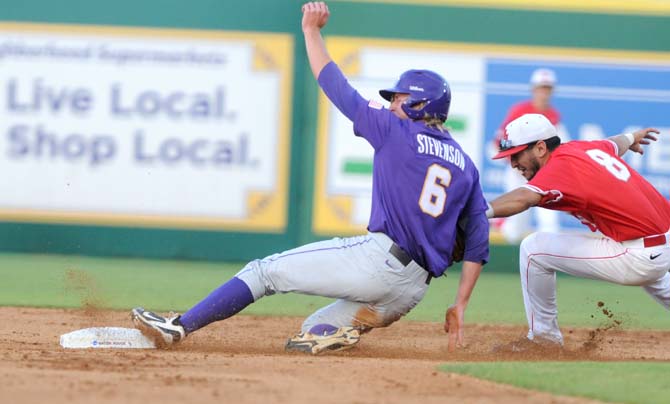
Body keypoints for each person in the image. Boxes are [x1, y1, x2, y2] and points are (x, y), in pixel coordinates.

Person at [130, 1, 489, 355]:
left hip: (379, 261)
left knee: (263, 272)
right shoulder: (466, 165)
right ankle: (336, 335)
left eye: (399, 98)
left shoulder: (395, 129)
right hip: (411, 291)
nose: (393, 104)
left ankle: (178, 327)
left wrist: (311, 31)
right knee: (310, 332)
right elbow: (477, 241)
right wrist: (460, 304)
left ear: (418, 104)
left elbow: (335, 85)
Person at [487, 113, 670, 347]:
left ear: (541, 148)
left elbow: (523, 197)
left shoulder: (559, 168)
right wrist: (631, 137)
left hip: (639, 254)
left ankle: (545, 339)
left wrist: (479, 212)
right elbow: (615, 143)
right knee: (656, 277)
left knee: (533, 250)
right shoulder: (580, 148)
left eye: (517, 154)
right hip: (659, 239)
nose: (513, 163)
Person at [493, 68, 565, 243]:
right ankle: (502, 233)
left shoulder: (554, 115)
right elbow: (501, 141)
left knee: (549, 217)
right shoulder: (520, 110)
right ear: (533, 89)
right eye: (541, 88)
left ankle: (551, 252)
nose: (544, 93)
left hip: (542, 172)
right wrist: (514, 156)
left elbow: (557, 145)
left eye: (547, 88)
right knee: (517, 224)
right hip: (519, 171)